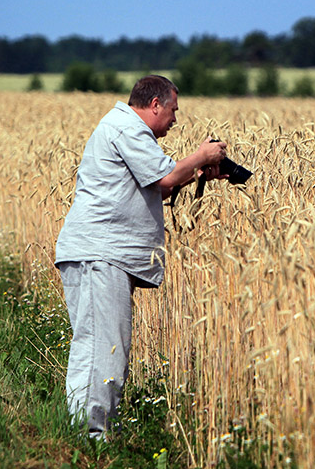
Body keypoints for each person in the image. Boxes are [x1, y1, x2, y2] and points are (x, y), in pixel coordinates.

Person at [54, 75, 227, 440]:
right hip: (101, 255)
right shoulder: (126, 128)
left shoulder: (124, 129)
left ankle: (81, 432)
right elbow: (164, 180)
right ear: (155, 105)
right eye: (173, 111)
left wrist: (197, 173)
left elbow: (154, 188)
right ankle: (91, 437)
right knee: (106, 351)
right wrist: (200, 156)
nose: (175, 120)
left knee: (97, 345)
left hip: (97, 253)